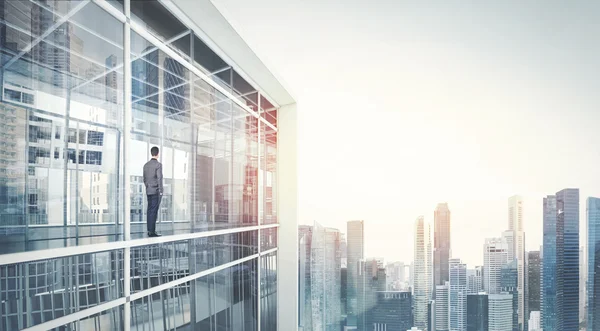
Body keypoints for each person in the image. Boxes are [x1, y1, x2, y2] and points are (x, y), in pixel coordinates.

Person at [143, 146, 163, 237]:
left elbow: (144, 179)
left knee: (149, 210)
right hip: (156, 191)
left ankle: (149, 230)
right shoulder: (158, 165)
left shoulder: (146, 165)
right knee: (154, 211)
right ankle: (152, 232)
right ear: (158, 154)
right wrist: (161, 190)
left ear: (151, 153)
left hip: (148, 190)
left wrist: (148, 187)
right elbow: (159, 178)